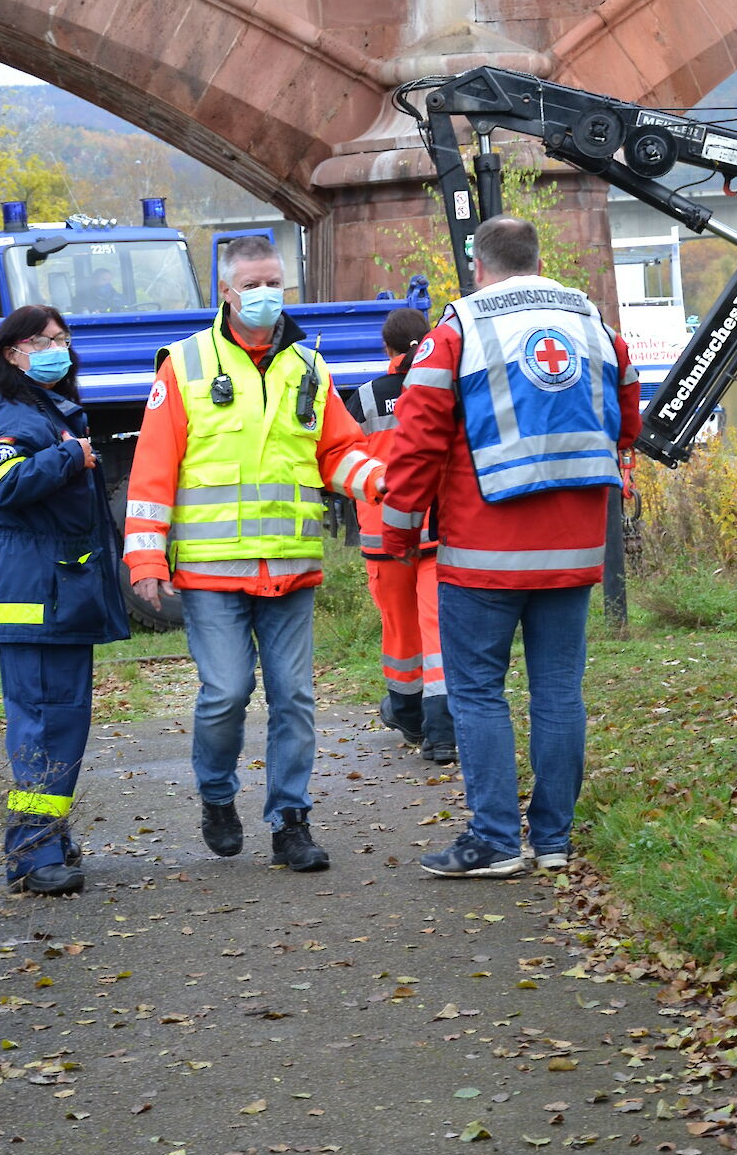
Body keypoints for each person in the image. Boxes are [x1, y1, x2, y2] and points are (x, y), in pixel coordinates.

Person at [381, 216, 642, 878]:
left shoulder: (457, 332)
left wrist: (400, 535)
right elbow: (629, 417)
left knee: (476, 694)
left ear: (479, 267)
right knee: (559, 692)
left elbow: (415, 446)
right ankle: (553, 841)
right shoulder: (592, 324)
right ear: (536, 257)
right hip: (575, 545)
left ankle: (495, 841)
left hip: (483, 548)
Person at [123, 235, 385, 872]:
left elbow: (336, 453)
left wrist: (380, 481)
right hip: (213, 574)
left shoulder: (310, 367)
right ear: (227, 292)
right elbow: (153, 471)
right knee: (226, 693)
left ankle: (290, 820)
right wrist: (146, 559)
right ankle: (217, 796)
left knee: (294, 698)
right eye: (254, 284)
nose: (268, 294)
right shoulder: (184, 366)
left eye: (276, 282)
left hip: (291, 569)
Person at [0, 304, 130, 895]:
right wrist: (71, 456)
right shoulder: (11, 416)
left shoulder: (44, 411)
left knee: (61, 722)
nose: (58, 349)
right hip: (36, 597)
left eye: (63, 338)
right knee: (42, 723)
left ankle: (47, 837)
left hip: (57, 593)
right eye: (43, 340)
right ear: (13, 352)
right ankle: (33, 854)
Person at [343, 307, 456, 766]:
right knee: (436, 633)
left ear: (386, 349)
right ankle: (444, 734)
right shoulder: (444, 385)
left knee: (400, 631)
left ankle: (408, 717)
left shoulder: (366, 399)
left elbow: (340, 460)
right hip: (436, 530)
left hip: (383, 535)